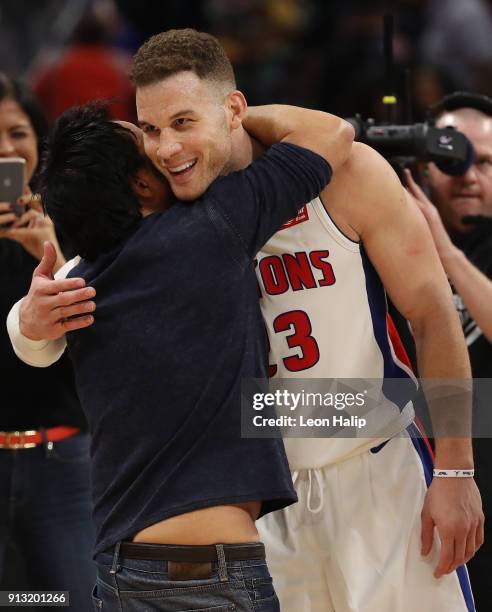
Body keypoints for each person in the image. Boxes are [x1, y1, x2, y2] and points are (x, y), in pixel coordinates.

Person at [8, 29, 483, 612]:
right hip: (260, 505)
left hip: (374, 468)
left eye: (184, 122)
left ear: (234, 109)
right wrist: (28, 320)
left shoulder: (347, 173)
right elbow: (49, 314)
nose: (166, 148)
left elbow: (434, 316)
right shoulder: (169, 207)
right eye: (151, 130)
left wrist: (457, 470)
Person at [12, 91, 352, 612]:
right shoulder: (210, 226)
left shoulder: (76, 282)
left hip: (117, 567)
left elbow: (32, 331)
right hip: (210, 571)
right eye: (149, 136)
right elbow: (332, 132)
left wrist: (26, 323)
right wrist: (224, 116)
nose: (167, 146)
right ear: (143, 182)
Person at [0, 74, 96, 608]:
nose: (5, 150)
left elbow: (99, 347)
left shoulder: (76, 222)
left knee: (71, 603)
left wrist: (53, 252)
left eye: (17, 132)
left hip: (63, 466)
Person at [405, 90, 492, 612]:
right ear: (422, 167)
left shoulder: (440, 246)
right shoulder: (386, 237)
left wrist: (445, 252)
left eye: (484, 161)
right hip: (412, 497)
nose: (468, 176)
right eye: (452, 160)